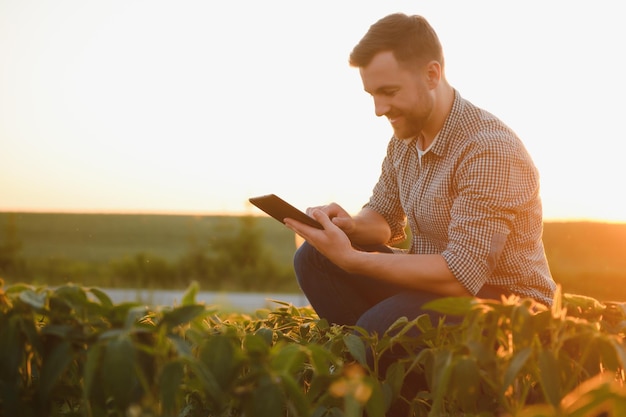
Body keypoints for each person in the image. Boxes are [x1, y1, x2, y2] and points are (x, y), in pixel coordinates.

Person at [284, 13, 556, 411]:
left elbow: (462, 275)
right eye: (372, 94)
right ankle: (396, 381)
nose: (379, 109)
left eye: (389, 91)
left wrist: (355, 260)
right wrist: (350, 227)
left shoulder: (489, 149)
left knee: (381, 327)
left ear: (432, 74)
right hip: (437, 287)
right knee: (314, 260)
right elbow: (384, 217)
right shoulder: (406, 139)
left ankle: (401, 387)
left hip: (510, 306)